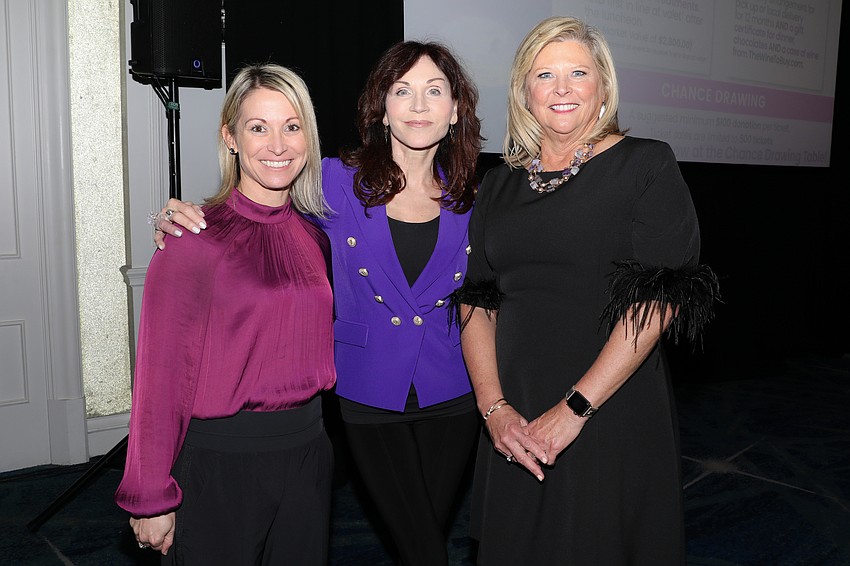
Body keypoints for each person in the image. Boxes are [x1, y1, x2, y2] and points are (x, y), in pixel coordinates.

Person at [153, 41, 483, 565]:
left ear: (456, 110)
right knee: (425, 550)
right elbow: (261, 200)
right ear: (382, 109)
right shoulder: (335, 181)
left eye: (434, 91)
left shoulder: (474, 197)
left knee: (422, 540)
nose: (419, 106)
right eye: (402, 91)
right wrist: (182, 216)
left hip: (453, 394)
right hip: (369, 391)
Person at [452, 16, 720, 565]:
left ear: (603, 87)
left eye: (578, 73)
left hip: (609, 405)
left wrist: (575, 408)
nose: (562, 88)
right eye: (544, 74)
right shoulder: (498, 182)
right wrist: (494, 408)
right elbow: (477, 300)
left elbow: (659, 299)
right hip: (514, 409)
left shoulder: (645, 164)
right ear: (524, 92)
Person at [115, 63, 336, 565]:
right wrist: (151, 494)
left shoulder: (313, 237)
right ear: (230, 138)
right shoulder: (192, 240)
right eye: (258, 127)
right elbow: (160, 376)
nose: (277, 145)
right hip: (222, 465)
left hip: (309, 454)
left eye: (292, 126)